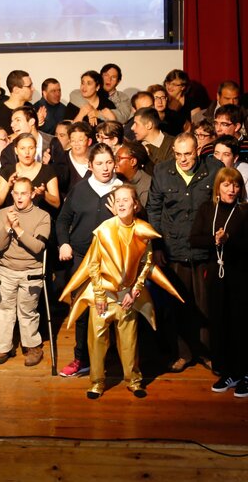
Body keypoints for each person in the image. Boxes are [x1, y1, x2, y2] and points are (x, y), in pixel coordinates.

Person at [60, 184, 181, 399]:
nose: (122, 203)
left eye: (126, 199)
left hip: (127, 296)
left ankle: (133, 380)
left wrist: (135, 291)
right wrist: (98, 295)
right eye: (118, 200)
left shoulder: (142, 231)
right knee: (97, 342)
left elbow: (146, 263)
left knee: (129, 342)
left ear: (135, 205)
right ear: (114, 206)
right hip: (103, 296)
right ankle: (97, 382)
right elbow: (93, 264)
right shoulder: (104, 229)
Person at [146, 132, 223, 372]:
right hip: (174, 249)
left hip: (205, 250)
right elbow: (153, 210)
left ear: (198, 150)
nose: (183, 159)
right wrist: (157, 246)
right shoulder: (161, 171)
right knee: (177, 304)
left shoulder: (214, 169)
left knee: (207, 305)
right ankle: (182, 353)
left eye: (188, 154)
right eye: (178, 154)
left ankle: (207, 353)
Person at [56, 143, 121, 377]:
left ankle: (116, 359)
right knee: (83, 311)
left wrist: (123, 216)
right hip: (82, 260)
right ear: (90, 165)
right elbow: (62, 220)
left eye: (109, 162)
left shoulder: (122, 190)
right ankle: (81, 359)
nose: (105, 168)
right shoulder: (80, 189)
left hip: (113, 261)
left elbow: (137, 224)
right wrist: (64, 243)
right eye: (100, 163)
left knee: (113, 311)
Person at [189, 168, 248, 397]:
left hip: (240, 277)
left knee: (240, 325)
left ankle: (244, 373)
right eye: (226, 185)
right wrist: (214, 240)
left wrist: (228, 239)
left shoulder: (244, 211)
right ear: (218, 187)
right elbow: (194, 238)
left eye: (236, 185)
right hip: (216, 276)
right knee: (220, 323)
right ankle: (228, 371)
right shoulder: (207, 209)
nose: (231, 190)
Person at [0, 177, 51, 366]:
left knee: (27, 311)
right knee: (3, 310)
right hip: (6, 269)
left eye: (24, 193)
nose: (19, 197)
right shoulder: (3, 214)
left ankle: (32, 345)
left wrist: (17, 229)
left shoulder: (42, 216)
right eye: (16, 193)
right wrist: (7, 227)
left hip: (31, 271)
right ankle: (3, 347)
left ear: (32, 194)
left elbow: (38, 247)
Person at [0, 133, 60, 212]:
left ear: (35, 149)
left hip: (40, 217)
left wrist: (44, 194)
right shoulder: (7, 171)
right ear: (16, 150)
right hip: (14, 217)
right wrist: (8, 185)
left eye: (31, 148)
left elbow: (57, 203)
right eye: (22, 148)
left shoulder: (48, 170)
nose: (27, 152)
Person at [114, 141, 151, 207]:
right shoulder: (118, 180)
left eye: (118, 159)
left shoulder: (147, 187)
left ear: (133, 162)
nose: (115, 163)